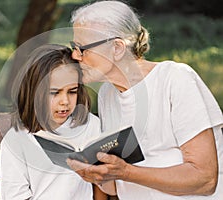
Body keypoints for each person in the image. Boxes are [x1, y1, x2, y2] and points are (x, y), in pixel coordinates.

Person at [67, 1, 223, 199]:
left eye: (82, 48)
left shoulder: (175, 78)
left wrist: (126, 172)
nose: (74, 55)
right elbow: (118, 188)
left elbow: (205, 180)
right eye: (74, 47)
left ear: (117, 48)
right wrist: (97, 174)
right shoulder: (108, 93)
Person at [0, 44, 105, 199]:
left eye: (72, 91)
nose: (65, 101)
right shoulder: (15, 140)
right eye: (54, 93)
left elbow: (100, 185)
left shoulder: (91, 127)